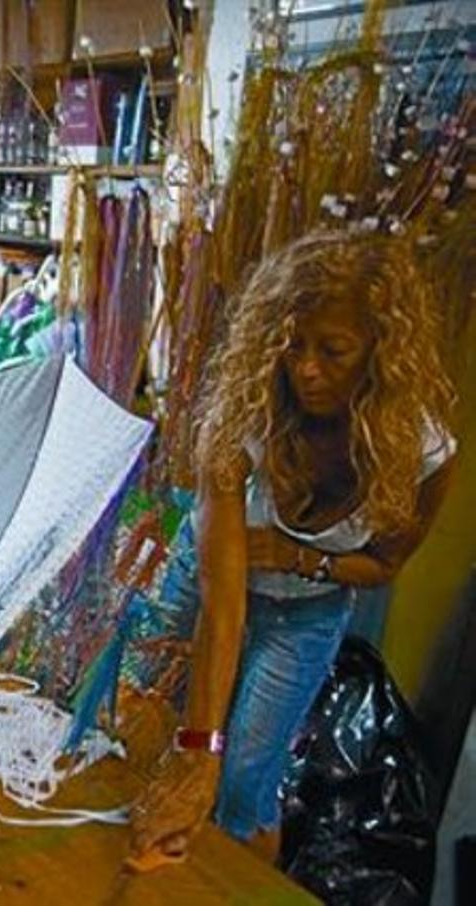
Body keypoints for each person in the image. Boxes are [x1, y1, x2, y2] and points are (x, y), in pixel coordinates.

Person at [128, 231, 457, 870]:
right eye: (292, 345)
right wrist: (197, 747)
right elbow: (223, 604)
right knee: (138, 727)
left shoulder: (424, 453)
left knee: (245, 786)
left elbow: (384, 566)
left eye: (334, 351)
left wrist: (294, 554)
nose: (306, 368)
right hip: (206, 586)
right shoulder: (241, 413)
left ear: (380, 353)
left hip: (307, 613)